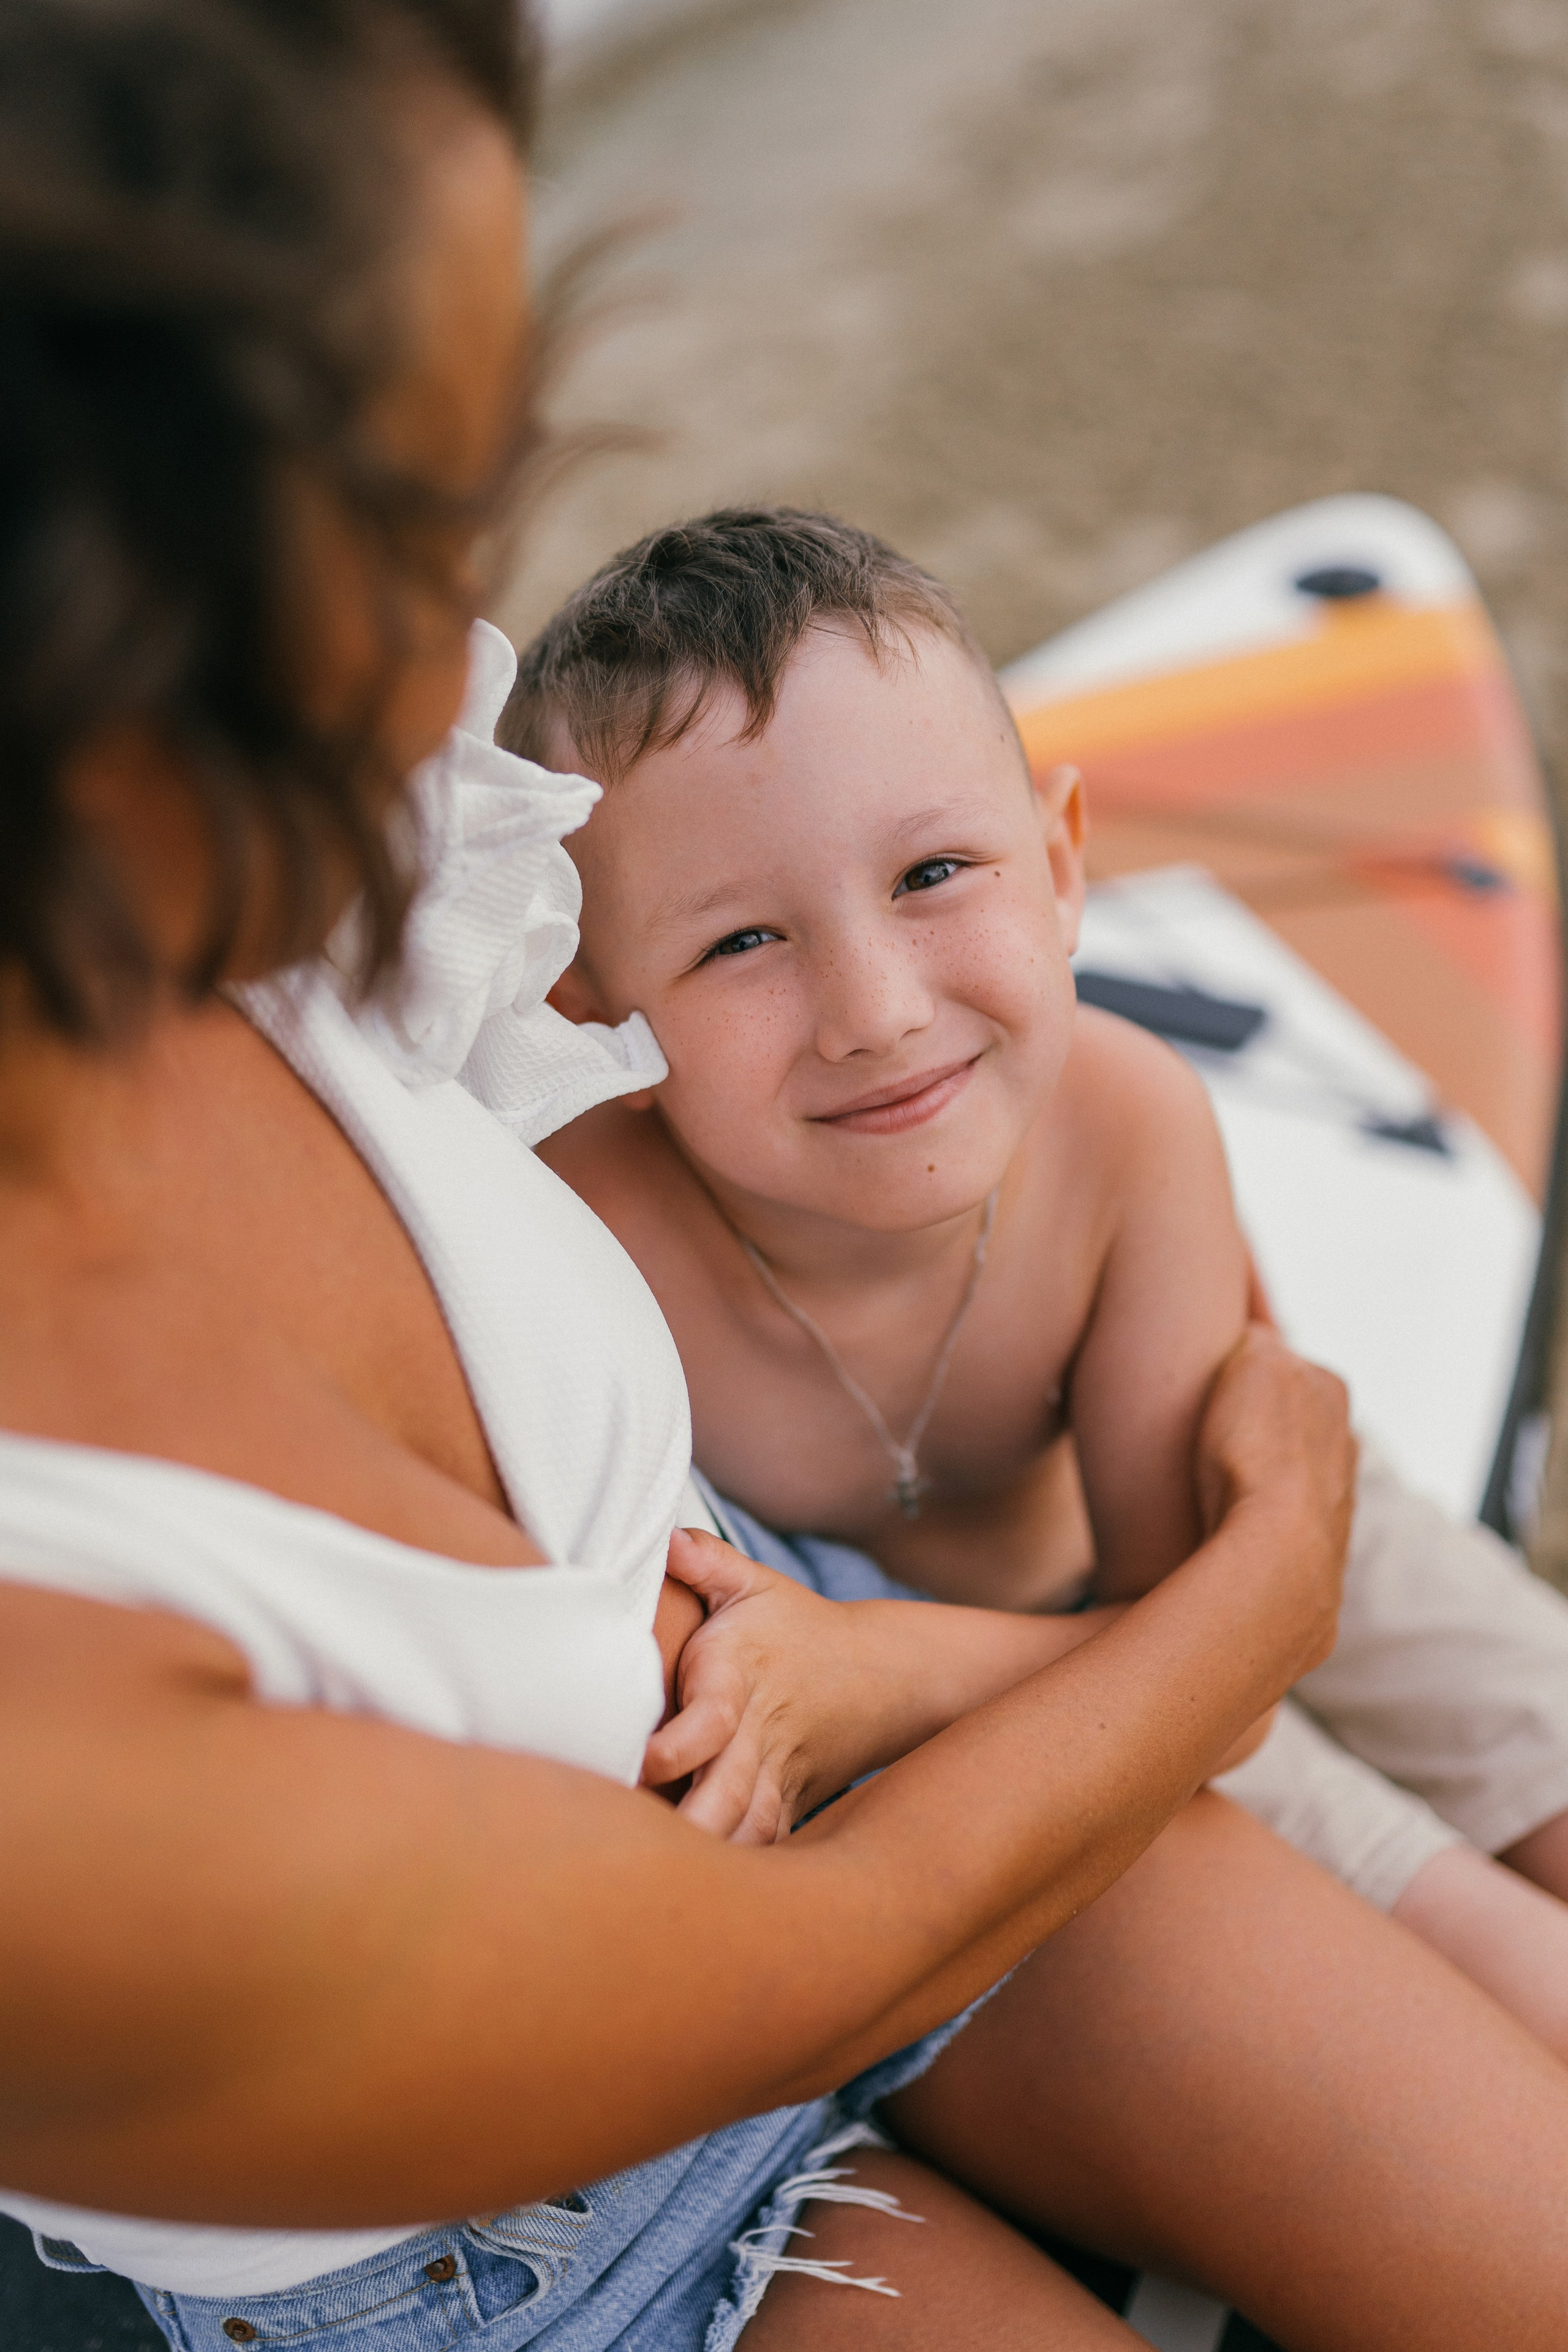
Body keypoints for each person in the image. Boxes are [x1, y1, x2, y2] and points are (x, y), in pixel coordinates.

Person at [4, 9, 1568, 2352]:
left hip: (848, 1693)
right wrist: (1261, 1593)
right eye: (415, 515)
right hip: (541, 2235)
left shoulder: (295, 864)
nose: (468, 668)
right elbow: (802, 1959)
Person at [509, 504, 1568, 2067]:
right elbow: (1201, 1716)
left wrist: (872, 1667)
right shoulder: (576, 1243)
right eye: (740, 943)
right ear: (587, 1006)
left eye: (934, 871)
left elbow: (1227, 1650)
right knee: (1512, 1985)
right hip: (1085, 1695)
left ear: (1062, 866)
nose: (875, 1011)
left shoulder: (1125, 1127)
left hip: (1225, 1552)